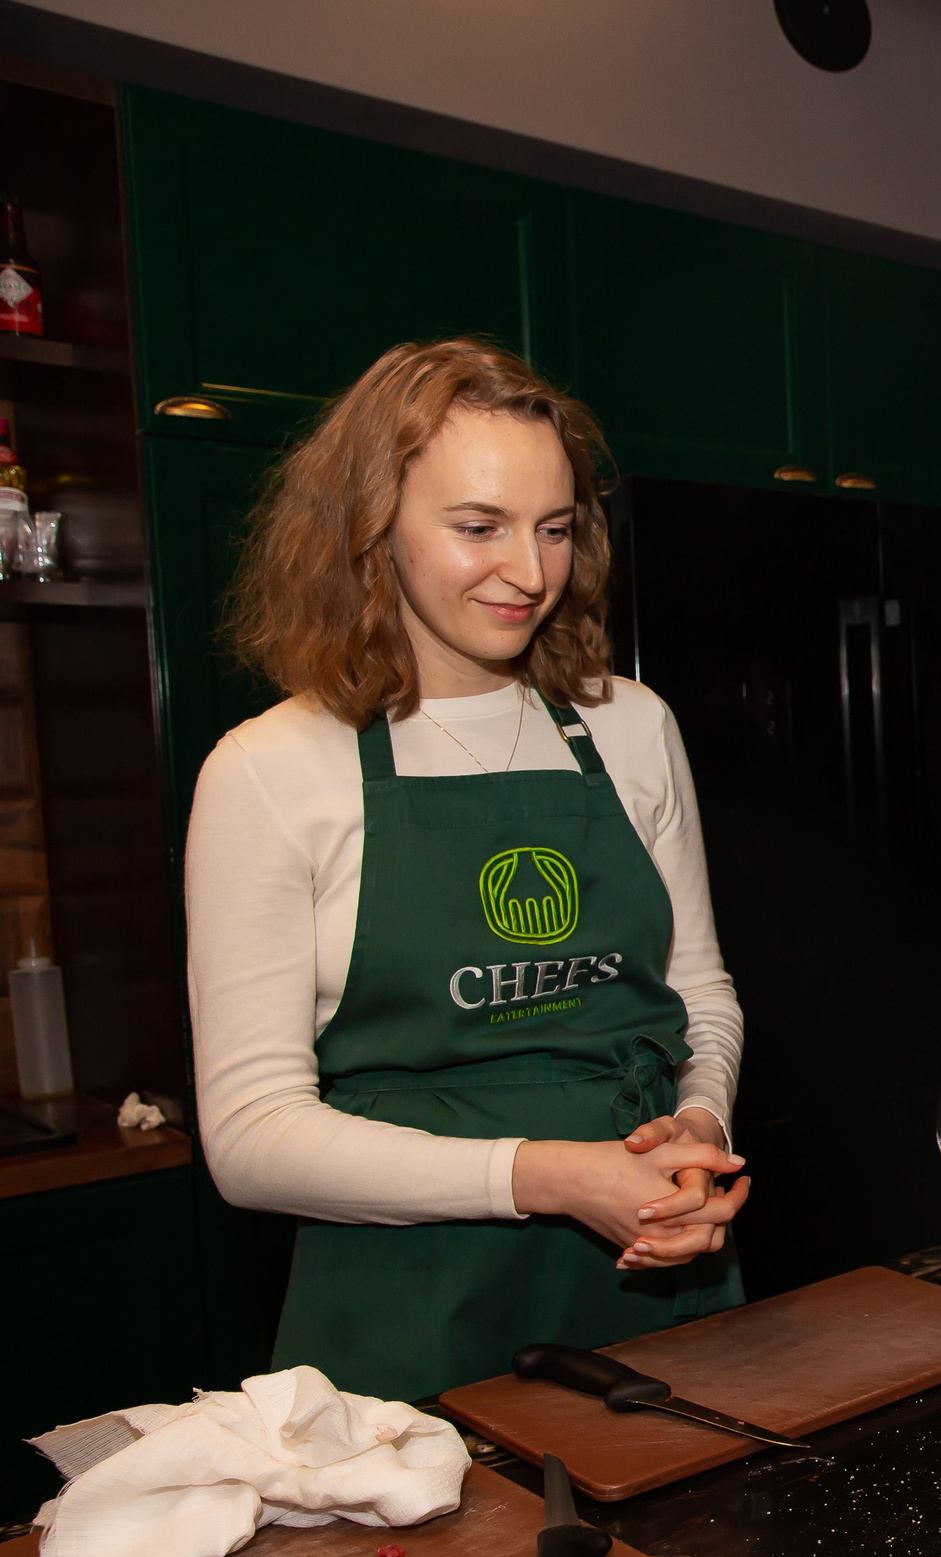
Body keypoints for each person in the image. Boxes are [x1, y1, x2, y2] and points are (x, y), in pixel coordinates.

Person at [189, 337, 750, 1400]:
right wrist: (546, 1175)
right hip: (407, 1321)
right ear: (372, 528)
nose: (530, 574)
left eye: (554, 528)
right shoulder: (270, 771)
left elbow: (698, 991)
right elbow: (251, 1138)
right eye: (477, 527)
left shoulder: (629, 727)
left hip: (655, 1299)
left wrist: (699, 1123)